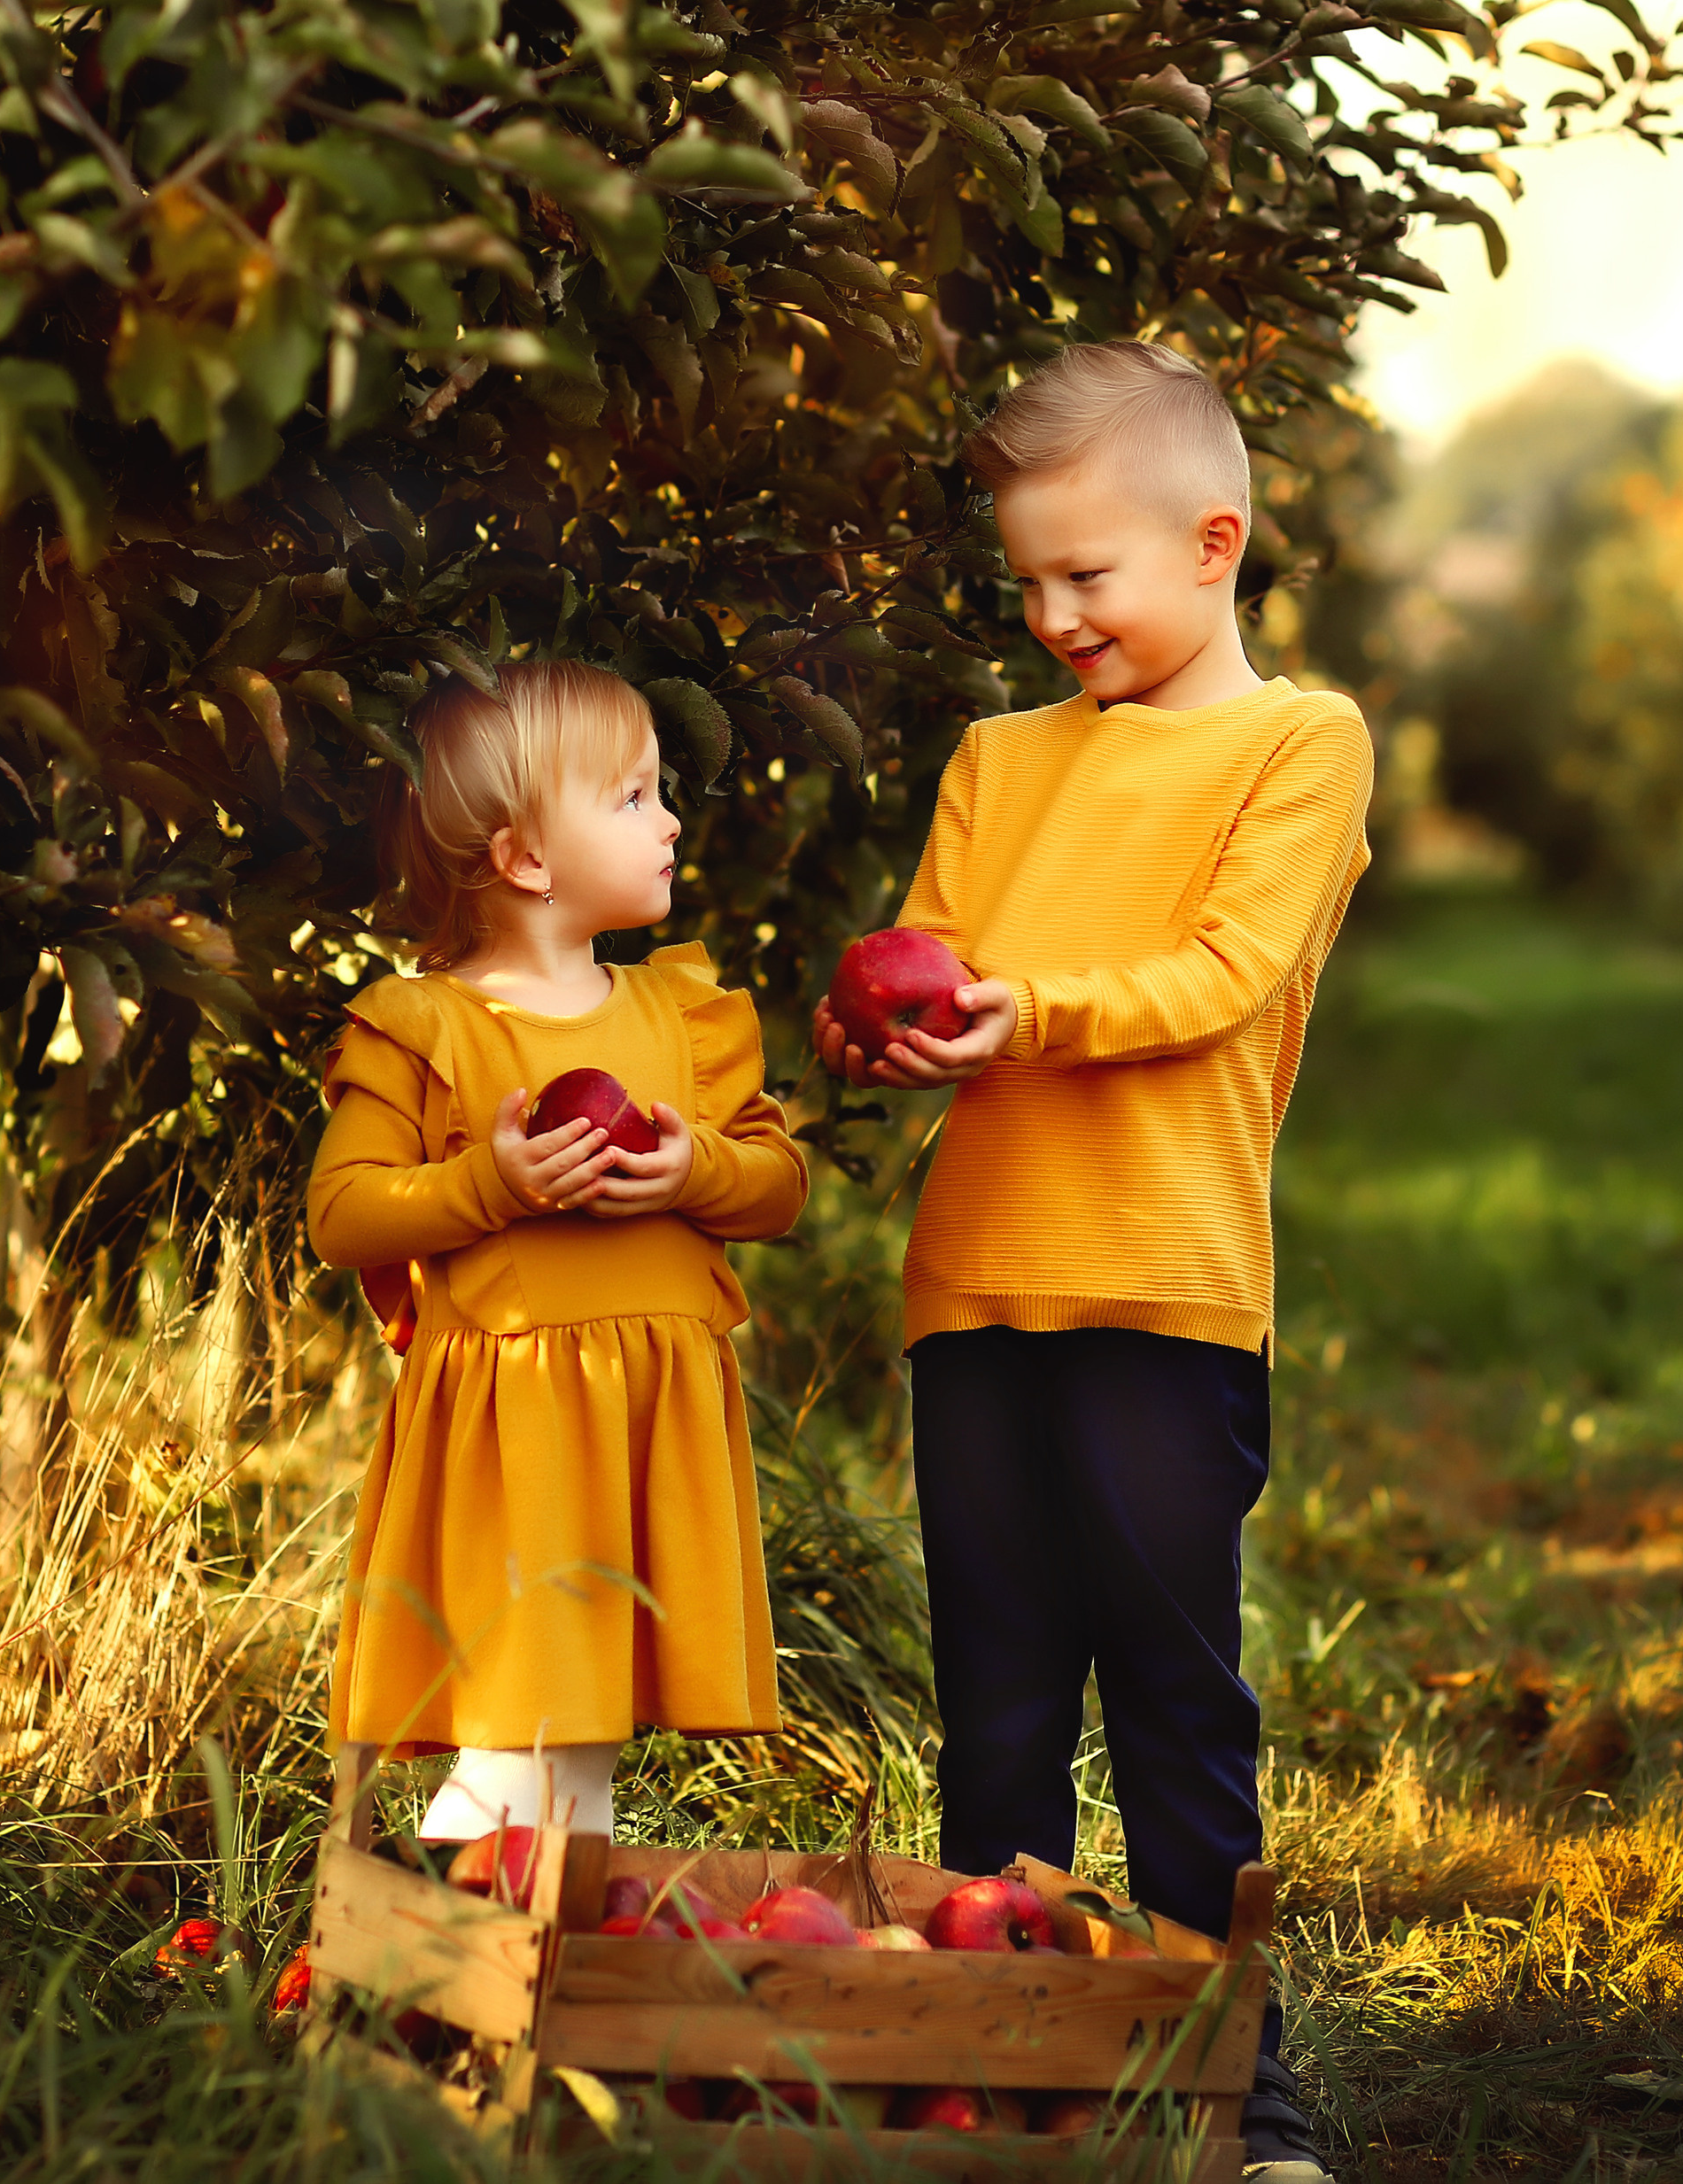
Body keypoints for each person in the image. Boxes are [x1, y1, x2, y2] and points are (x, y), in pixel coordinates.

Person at [814, 341, 1371, 2184]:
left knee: (1169, 1694)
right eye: (1026, 584)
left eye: (1086, 578)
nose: (1051, 616)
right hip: (974, 1283)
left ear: (1211, 543)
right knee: (994, 1696)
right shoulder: (994, 758)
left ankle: (1232, 2083)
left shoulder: (1298, 743)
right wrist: (882, 1030)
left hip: (1159, 1289)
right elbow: (935, 957)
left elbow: (1222, 975)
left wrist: (1017, 1010)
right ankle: (1006, 2060)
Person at [308, 658, 807, 1845]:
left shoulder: (680, 1014)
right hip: (518, 1441)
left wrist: (697, 1172)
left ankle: (520, 1985)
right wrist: (493, 1181)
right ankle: (425, 1950)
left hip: (644, 1421)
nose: (672, 818)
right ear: (527, 858)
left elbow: (775, 1181)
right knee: (516, 1725)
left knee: (575, 1743)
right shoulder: (425, 1029)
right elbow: (345, 1213)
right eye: (633, 797)